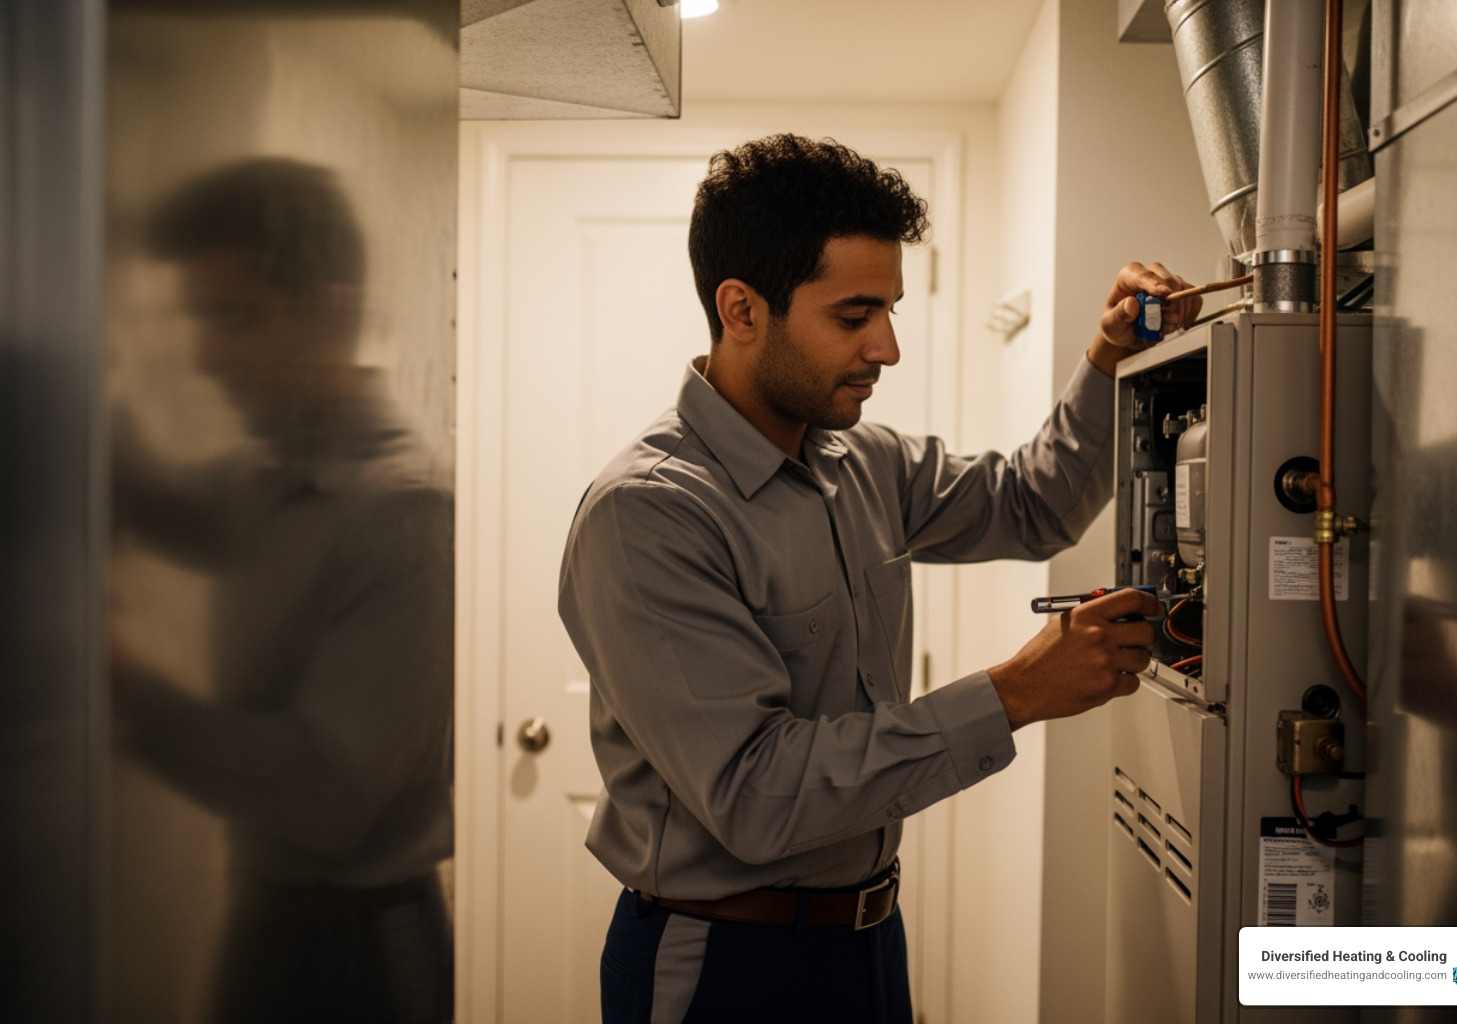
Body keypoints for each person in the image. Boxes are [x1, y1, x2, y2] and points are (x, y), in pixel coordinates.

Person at [557, 134, 1199, 1024]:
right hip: (721, 963)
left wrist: (1107, 359)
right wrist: (1013, 693)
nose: (887, 347)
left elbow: (1032, 504)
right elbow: (752, 793)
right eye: (854, 316)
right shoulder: (649, 514)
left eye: (890, 310)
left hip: (866, 942)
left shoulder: (862, 463)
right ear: (741, 309)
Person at [111, 159, 454, 1024]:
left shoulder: (401, 508)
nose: (205, 355)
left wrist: (119, 686)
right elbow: (151, 496)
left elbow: (324, 794)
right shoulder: (270, 474)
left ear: (328, 313)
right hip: (265, 927)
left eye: (235, 319)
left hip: (358, 958)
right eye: (200, 320)